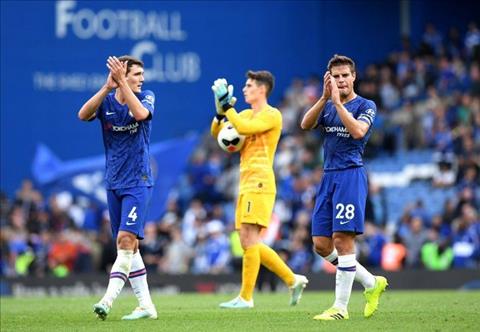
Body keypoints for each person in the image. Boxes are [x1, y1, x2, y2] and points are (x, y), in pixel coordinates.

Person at [210, 71, 309, 309]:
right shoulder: (243, 112)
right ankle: (292, 279)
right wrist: (219, 110)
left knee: (250, 239)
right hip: (246, 183)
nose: (244, 89)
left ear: (262, 89)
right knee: (247, 241)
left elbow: (243, 127)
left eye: (248, 85)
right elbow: (218, 133)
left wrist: (228, 107)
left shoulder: (272, 115)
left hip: (261, 182)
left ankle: (246, 297)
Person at [300, 54, 388, 320]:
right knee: (321, 245)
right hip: (328, 176)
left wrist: (338, 104)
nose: (340, 80)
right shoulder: (327, 104)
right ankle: (372, 283)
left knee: (342, 239)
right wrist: (325, 98)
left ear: (354, 77)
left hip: (351, 174)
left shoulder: (366, 105)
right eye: (335, 77)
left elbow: (359, 132)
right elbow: (305, 124)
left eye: (344, 76)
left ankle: (340, 308)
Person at [78, 55, 157, 320]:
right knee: (130, 247)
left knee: (124, 240)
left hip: (138, 181)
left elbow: (140, 115)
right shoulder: (108, 102)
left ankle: (107, 300)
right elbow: (83, 115)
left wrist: (124, 83)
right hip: (113, 183)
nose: (141, 79)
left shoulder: (146, 97)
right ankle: (146, 306)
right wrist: (106, 87)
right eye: (136, 75)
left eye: (141, 75)